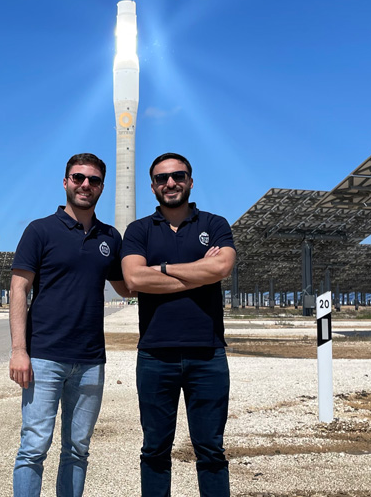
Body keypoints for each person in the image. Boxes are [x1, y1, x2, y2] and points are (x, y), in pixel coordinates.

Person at [9, 153, 133, 497]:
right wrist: (19, 350)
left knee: (78, 450)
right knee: (33, 448)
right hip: (44, 357)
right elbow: (18, 288)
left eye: (93, 180)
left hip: (91, 361)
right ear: (65, 182)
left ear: (102, 188)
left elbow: (128, 286)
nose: (85, 185)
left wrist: (180, 267)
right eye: (78, 178)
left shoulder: (110, 238)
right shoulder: (40, 230)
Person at [121, 152, 237, 497]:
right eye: (162, 178)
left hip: (208, 354)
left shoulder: (214, 224)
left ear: (189, 179)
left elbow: (220, 269)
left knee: (211, 451)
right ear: (153, 186)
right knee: (155, 449)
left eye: (177, 176)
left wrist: (161, 269)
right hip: (156, 355)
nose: (170, 183)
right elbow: (132, 278)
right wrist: (196, 271)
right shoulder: (139, 229)